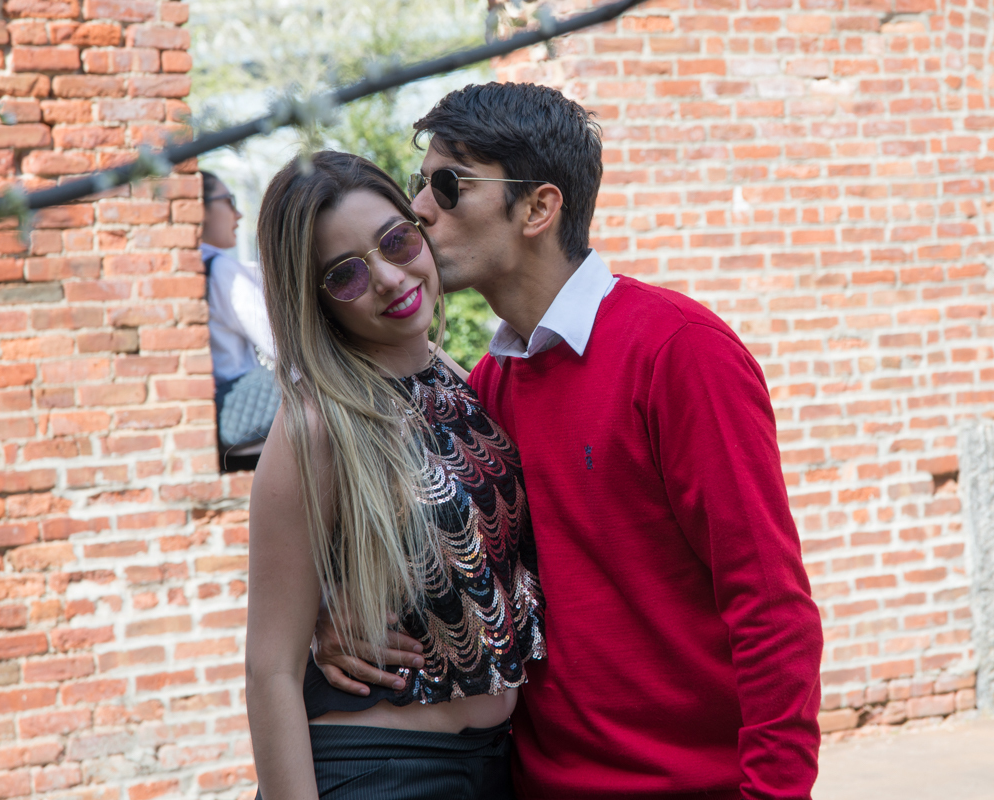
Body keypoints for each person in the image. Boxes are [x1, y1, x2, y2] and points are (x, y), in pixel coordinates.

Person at [314, 83, 825, 799]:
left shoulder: (679, 352)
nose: (419, 209)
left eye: (449, 185)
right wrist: (336, 626)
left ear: (538, 208)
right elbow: (450, 567)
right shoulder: (487, 388)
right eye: (418, 184)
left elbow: (771, 607)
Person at [245, 151, 545, 800]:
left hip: (496, 764)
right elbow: (270, 670)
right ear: (315, 300)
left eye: (396, 241)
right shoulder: (317, 424)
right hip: (379, 771)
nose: (386, 277)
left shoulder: (456, 377)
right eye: (345, 275)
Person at [200, 170, 277, 472]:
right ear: (198, 208)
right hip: (250, 424)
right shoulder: (220, 268)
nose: (239, 213)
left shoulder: (192, 269)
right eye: (228, 201)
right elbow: (280, 343)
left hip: (222, 426)